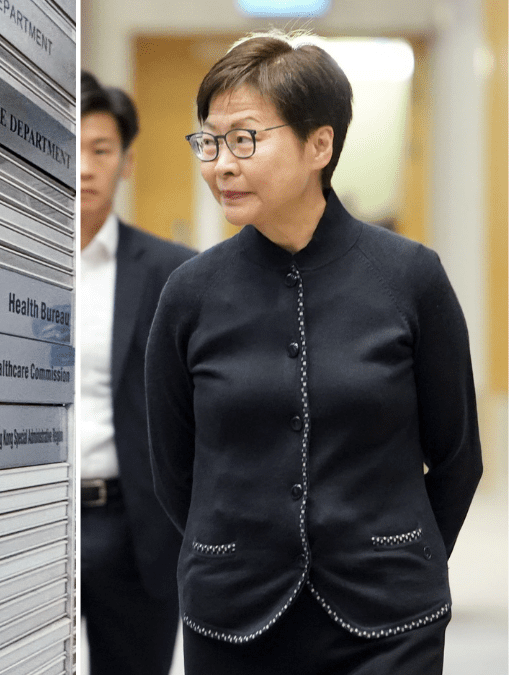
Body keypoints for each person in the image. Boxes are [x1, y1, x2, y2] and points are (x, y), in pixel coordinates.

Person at [145, 32, 482, 675]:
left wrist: (403, 559)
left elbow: (457, 457)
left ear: (319, 145)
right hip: (234, 619)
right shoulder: (189, 294)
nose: (221, 164)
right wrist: (234, 552)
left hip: (389, 623)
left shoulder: (410, 277)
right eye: (209, 142)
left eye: (245, 139)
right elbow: (172, 468)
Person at [79, 71, 194, 675]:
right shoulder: (5, 263)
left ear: (126, 162)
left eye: (100, 150)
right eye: (69, 147)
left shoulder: (173, 274)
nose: (84, 168)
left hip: (131, 526)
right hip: (26, 521)